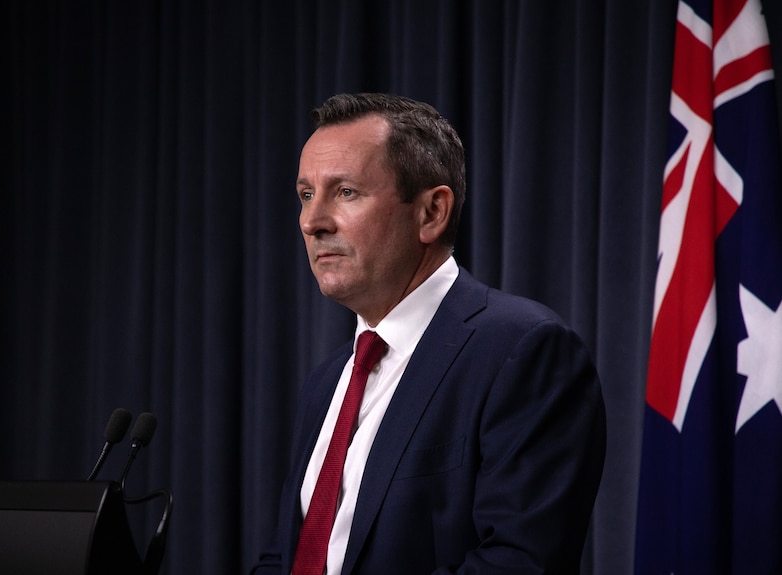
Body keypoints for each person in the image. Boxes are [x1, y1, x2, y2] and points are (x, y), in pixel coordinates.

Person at [251, 93, 606, 574]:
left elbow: (517, 562)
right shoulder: (328, 381)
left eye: (346, 192)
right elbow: (286, 557)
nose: (312, 222)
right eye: (307, 195)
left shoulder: (523, 351)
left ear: (431, 213)